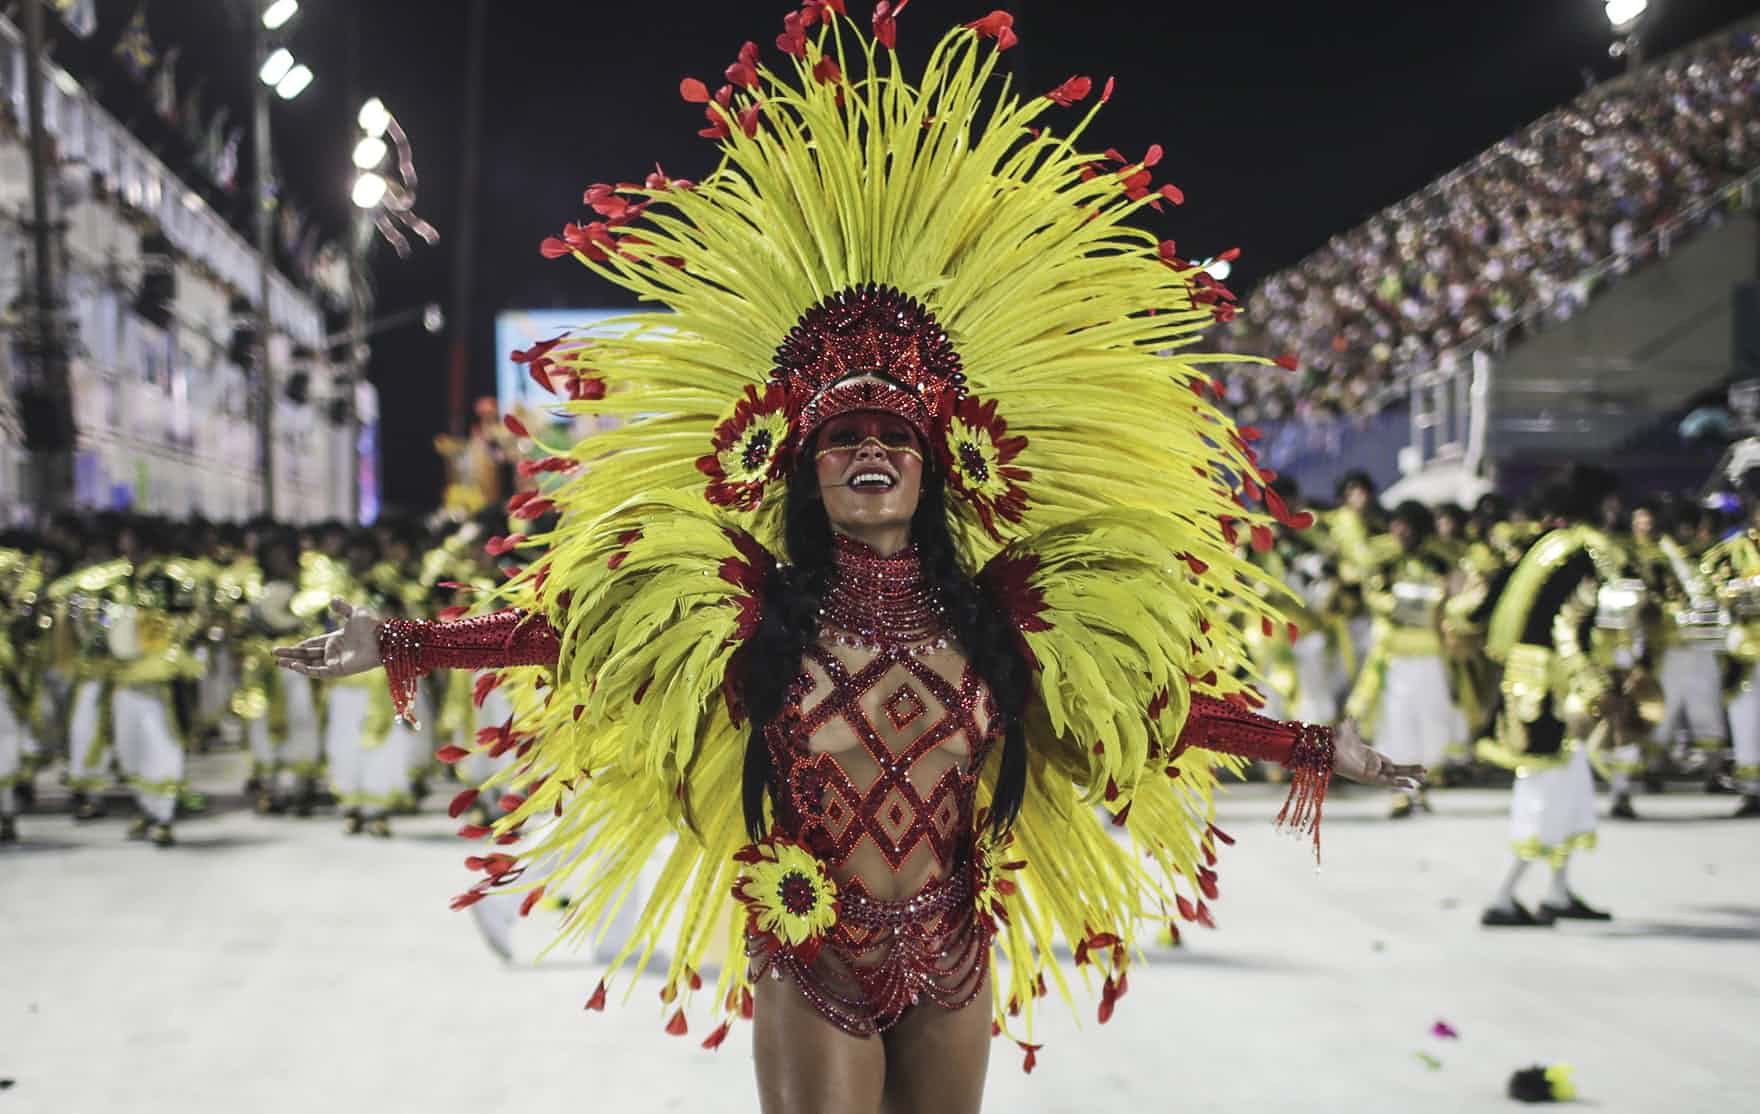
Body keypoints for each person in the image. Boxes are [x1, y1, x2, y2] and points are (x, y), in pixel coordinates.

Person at [277, 10, 1420, 1110]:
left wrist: (1311, 744)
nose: (869, 452)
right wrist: (407, 638)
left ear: (938, 466)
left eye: (893, 438)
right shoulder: (741, 606)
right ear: (802, 467)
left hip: (956, 949)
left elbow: (1151, 710)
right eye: (841, 438)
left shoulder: (1007, 613)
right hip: (809, 945)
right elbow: (577, 635)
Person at [1479, 469, 1646, 926]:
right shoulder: (1585, 552)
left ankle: (1556, 891)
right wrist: (1595, 685)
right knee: (1544, 793)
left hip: (1533, 681)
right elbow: (1570, 627)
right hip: (1553, 688)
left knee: (1571, 789)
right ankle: (1503, 895)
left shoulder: (1545, 547)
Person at [1346, 501, 1466, 816]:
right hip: (1396, 657)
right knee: (1397, 723)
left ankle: (1421, 786)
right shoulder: (1383, 559)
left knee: (1432, 720)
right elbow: (1374, 597)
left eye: (1405, 524)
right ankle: (1400, 791)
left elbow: (1456, 597)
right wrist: (1408, 606)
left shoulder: (1441, 560)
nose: (1399, 530)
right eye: (1396, 524)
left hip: (1430, 656)